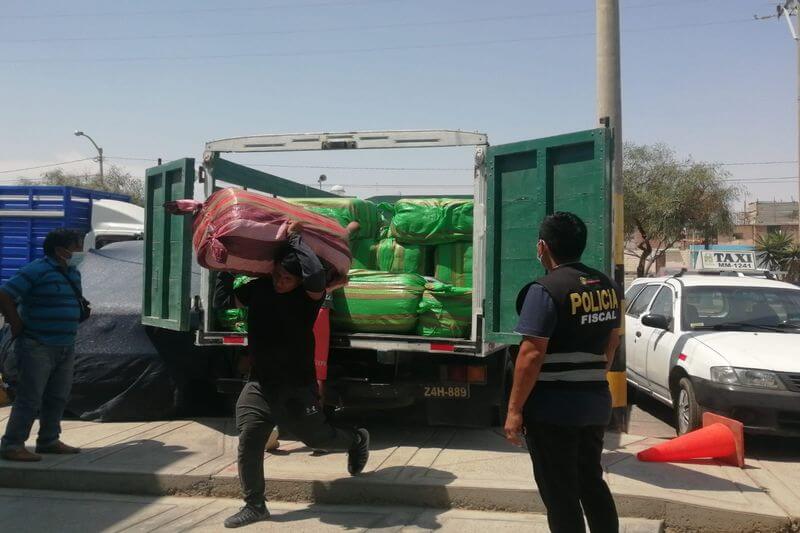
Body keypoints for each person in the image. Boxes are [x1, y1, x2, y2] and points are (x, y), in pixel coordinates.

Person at [214, 221, 370, 529]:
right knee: (248, 440)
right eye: (276, 275)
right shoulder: (259, 288)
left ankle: (355, 439)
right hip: (260, 384)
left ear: (299, 280)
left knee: (317, 437)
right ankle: (255, 505)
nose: (279, 282)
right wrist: (224, 268)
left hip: (297, 388)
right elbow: (223, 302)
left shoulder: (307, 298)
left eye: (286, 278)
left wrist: (295, 237)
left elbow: (313, 273)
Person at [504, 212, 621, 533]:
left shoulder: (544, 290)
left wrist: (514, 411)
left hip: (553, 411)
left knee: (560, 495)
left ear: (543, 247)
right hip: (595, 403)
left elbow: (530, 354)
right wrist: (594, 376)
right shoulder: (607, 286)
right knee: (591, 483)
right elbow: (612, 340)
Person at [0, 229, 86, 462]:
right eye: (77, 245)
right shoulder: (36, 270)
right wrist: (16, 323)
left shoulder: (72, 272)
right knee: (30, 397)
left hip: (65, 344)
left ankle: (48, 440)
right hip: (37, 345)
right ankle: (12, 444)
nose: (80, 250)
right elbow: (5, 295)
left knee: (57, 396)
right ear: (60, 250)